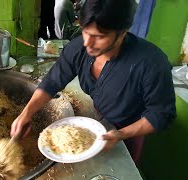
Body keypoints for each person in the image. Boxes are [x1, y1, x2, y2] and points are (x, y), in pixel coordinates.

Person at [11, 0, 176, 164]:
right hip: (96, 122)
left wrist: (121, 134)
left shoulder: (151, 63)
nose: (87, 43)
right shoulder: (78, 48)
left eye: (99, 36)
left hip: (130, 131)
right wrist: (27, 113)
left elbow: (161, 114)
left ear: (123, 32)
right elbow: (53, 81)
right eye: (85, 31)